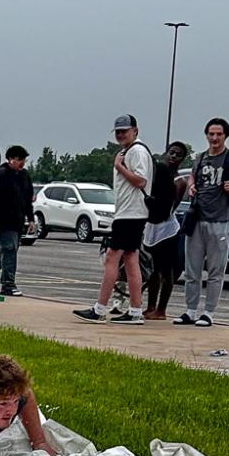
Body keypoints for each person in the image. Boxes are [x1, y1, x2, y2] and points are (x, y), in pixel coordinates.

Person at [177, 118, 229, 325]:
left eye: (219, 134)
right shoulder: (200, 158)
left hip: (221, 219)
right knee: (192, 268)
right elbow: (192, 177)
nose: (214, 138)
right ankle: (190, 309)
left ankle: (209, 312)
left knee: (215, 269)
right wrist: (192, 186)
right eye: (211, 134)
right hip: (197, 218)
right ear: (206, 135)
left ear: (225, 136)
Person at [73, 114, 152, 324]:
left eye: (124, 131)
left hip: (130, 214)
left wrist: (120, 168)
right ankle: (135, 311)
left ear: (135, 130)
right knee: (130, 259)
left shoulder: (136, 152)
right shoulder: (129, 151)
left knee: (112, 256)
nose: (120, 135)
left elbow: (141, 181)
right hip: (130, 213)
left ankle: (100, 308)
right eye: (118, 131)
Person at [142, 141, 191, 320]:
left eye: (178, 154)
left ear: (182, 159)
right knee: (153, 269)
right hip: (152, 226)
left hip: (167, 229)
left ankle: (161, 310)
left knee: (166, 270)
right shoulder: (157, 174)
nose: (173, 157)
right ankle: (150, 306)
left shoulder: (180, 182)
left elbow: (168, 208)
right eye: (171, 152)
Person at [0, 145, 33, 298]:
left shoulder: (25, 176)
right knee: (9, 249)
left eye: (23, 160)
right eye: (19, 160)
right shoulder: (1, 174)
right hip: (3, 221)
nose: (22, 163)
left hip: (18, 221)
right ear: (10, 159)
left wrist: (31, 219)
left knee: (6, 251)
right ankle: (8, 284)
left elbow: (27, 200)